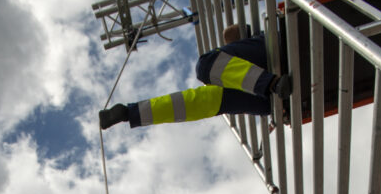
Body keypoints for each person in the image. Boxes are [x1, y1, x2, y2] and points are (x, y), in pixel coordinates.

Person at [99, 24, 291, 131]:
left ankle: (130, 113)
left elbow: (232, 33)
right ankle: (129, 113)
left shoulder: (249, 44)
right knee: (204, 99)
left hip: (274, 59)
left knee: (205, 71)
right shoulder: (238, 56)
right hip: (269, 92)